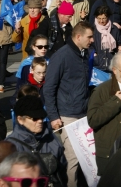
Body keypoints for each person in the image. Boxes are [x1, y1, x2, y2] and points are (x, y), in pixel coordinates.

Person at [42, 21, 93, 187]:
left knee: (86, 157)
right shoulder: (61, 56)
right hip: (67, 116)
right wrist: (54, 116)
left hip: (83, 113)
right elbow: (48, 88)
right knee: (72, 159)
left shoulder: (84, 54)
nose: (93, 40)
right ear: (78, 37)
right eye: (89, 37)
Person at [6, 95, 67, 186]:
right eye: (34, 118)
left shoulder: (51, 138)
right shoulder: (10, 146)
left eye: (41, 117)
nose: (40, 121)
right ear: (20, 119)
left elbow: (63, 169)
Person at [92, 5, 121, 72]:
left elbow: (120, 44)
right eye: (99, 18)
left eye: (104, 18)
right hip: (97, 66)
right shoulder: (92, 30)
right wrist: (94, 56)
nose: (101, 21)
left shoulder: (114, 29)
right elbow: (89, 46)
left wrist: (119, 52)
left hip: (112, 66)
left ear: (108, 17)